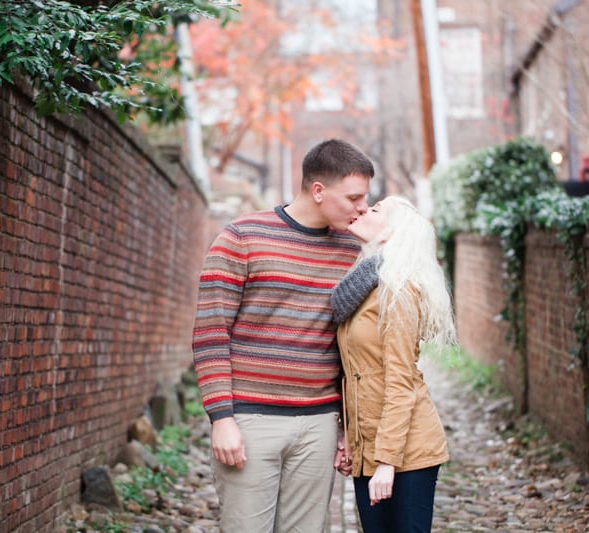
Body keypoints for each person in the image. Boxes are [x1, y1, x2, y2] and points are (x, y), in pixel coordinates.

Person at [192, 139, 374, 532]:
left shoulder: (352, 252)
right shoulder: (242, 237)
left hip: (318, 423)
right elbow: (211, 334)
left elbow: (351, 343)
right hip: (251, 421)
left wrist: (345, 425)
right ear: (318, 190)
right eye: (354, 197)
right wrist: (221, 418)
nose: (362, 208)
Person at [330, 195, 457, 533]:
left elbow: (400, 381)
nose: (362, 210)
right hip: (369, 449)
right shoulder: (362, 287)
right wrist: (347, 436)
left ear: (389, 234)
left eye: (374, 210)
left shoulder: (398, 291)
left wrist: (386, 463)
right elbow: (354, 371)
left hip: (407, 452)